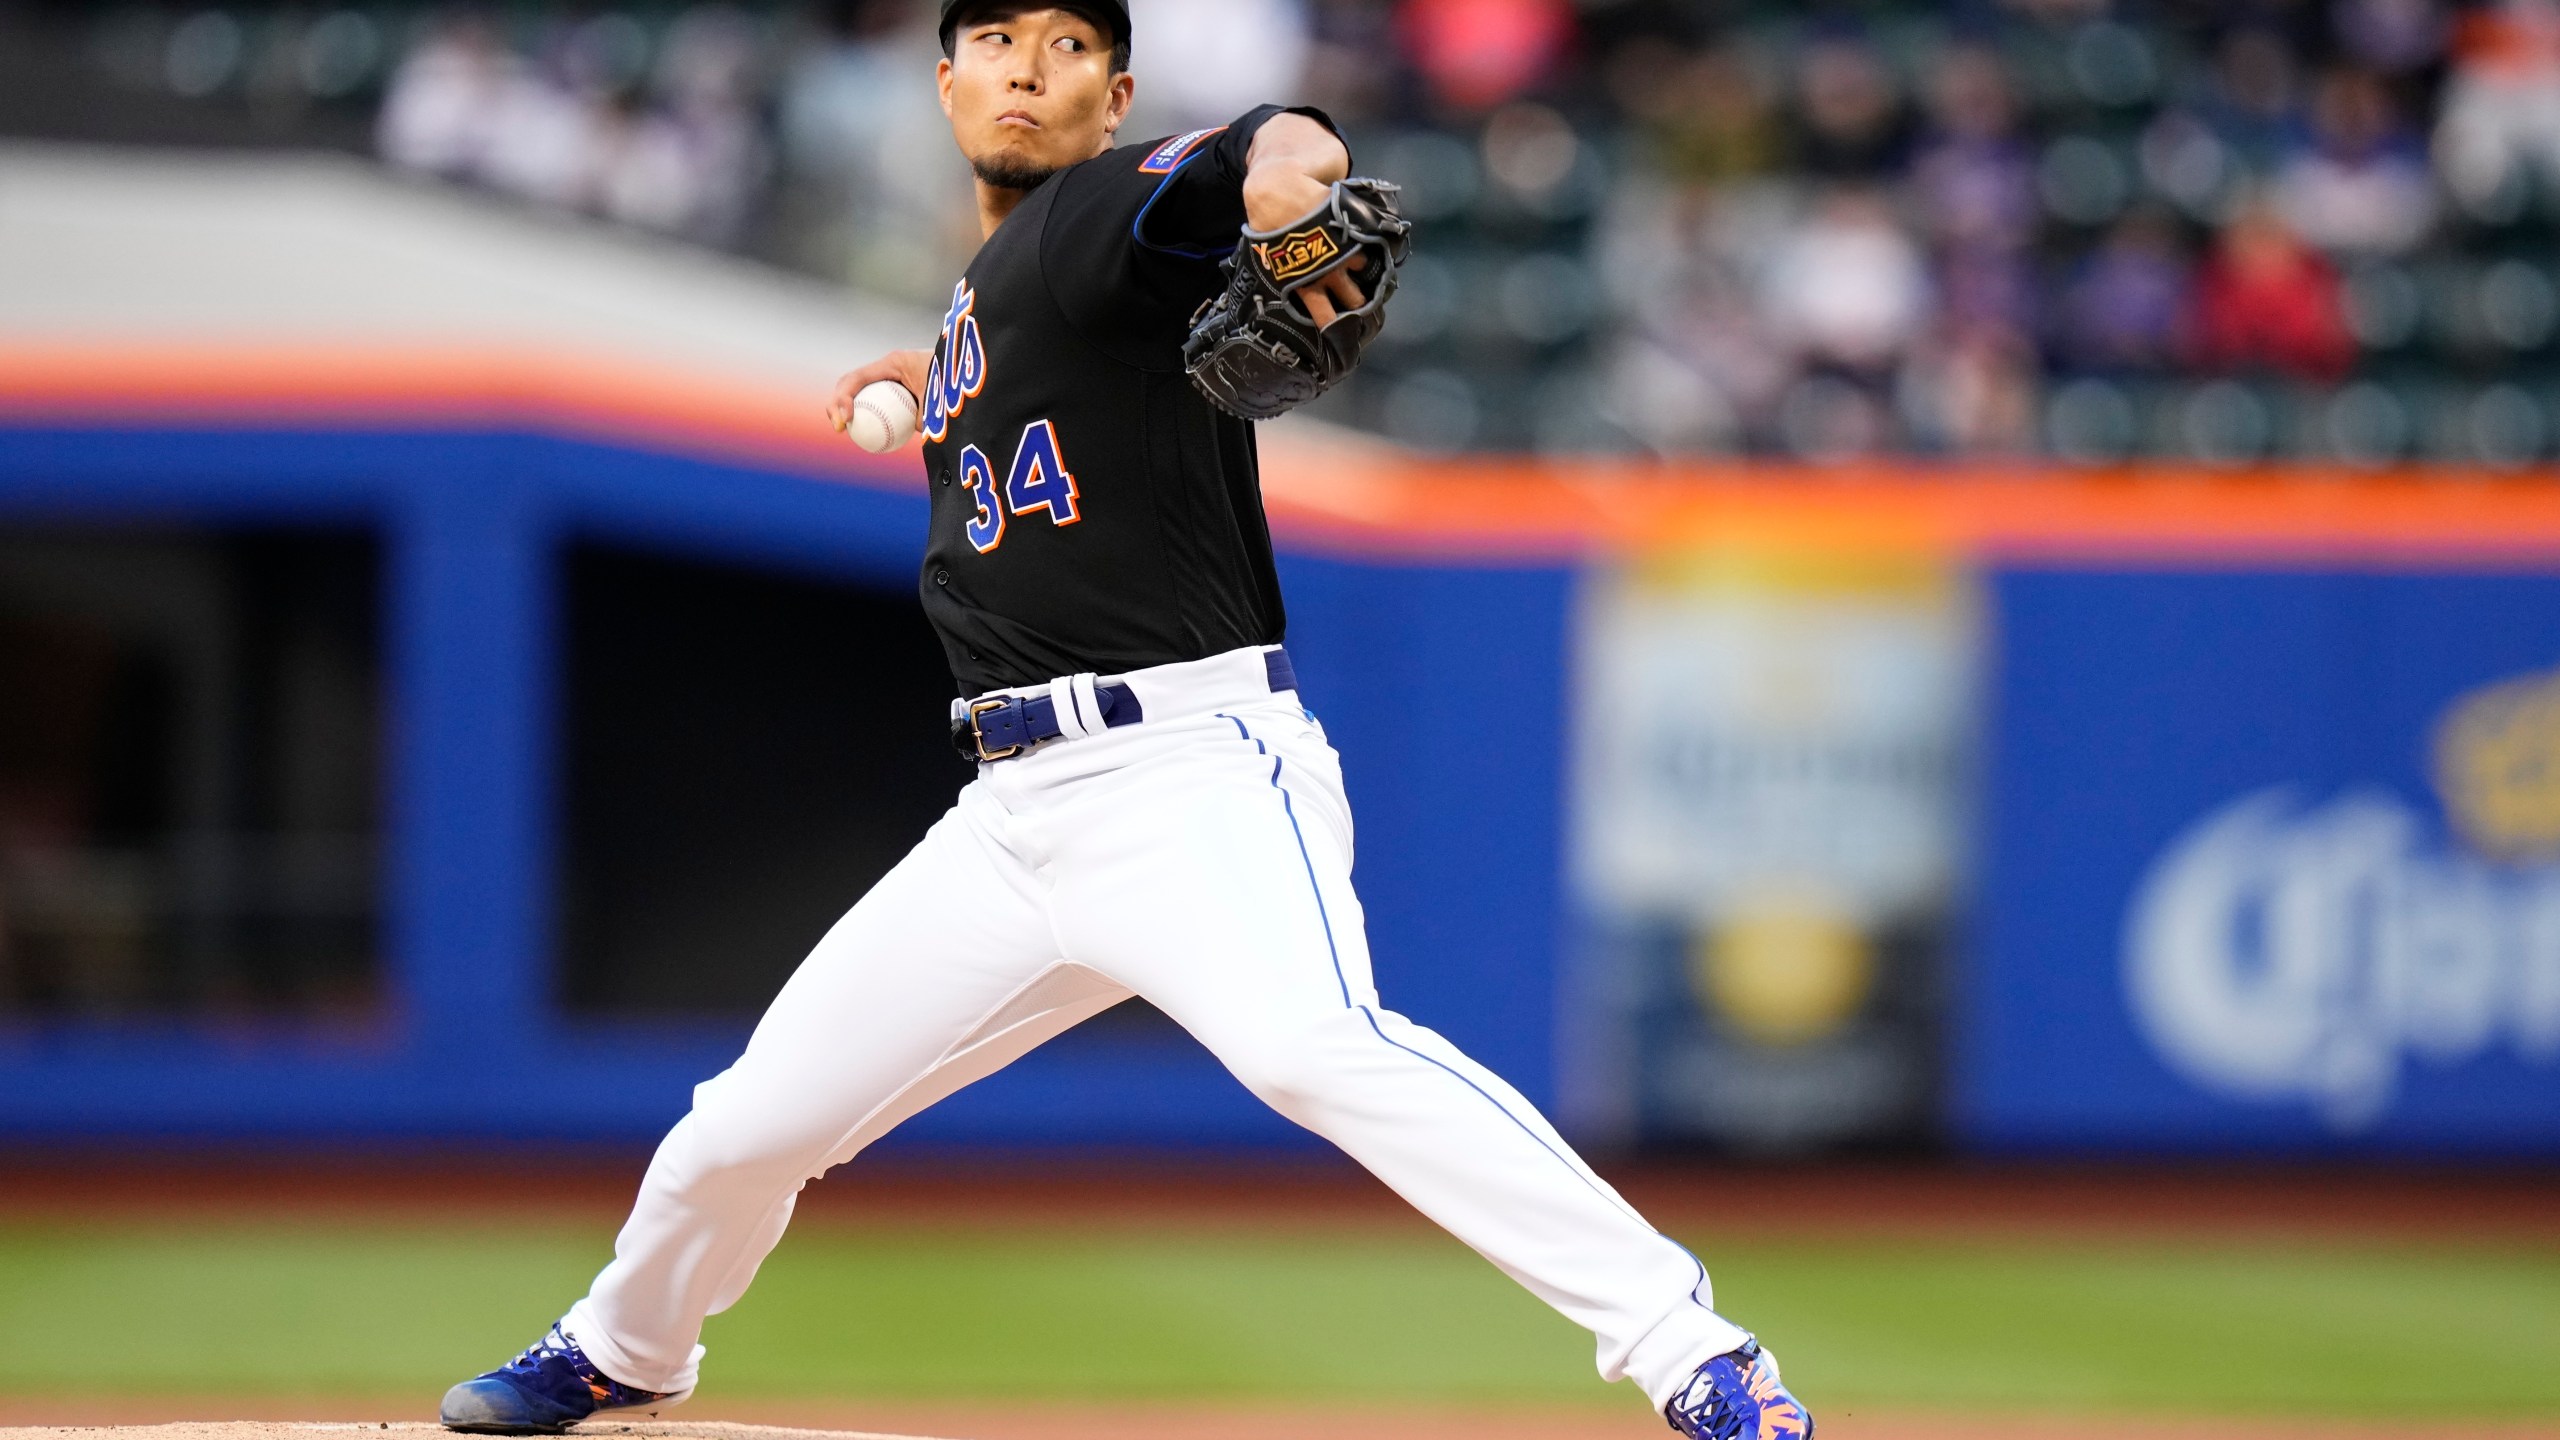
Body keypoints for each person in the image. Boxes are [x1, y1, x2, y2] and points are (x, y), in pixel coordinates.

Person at [434, 6, 1813, 1439]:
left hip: (1188, 776)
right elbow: (1063, 366)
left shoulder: (1108, 205)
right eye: (995, 37)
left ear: (1120, 94)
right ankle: (629, 1344)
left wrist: (1287, 197)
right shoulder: (998, 285)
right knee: (744, 1128)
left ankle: (1692, 1347)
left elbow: (1277, 146)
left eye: (1070, 44)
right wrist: (935, 378)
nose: (1029, 64)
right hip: (1013, 818)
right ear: (946, 77)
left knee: (1312, 1048)